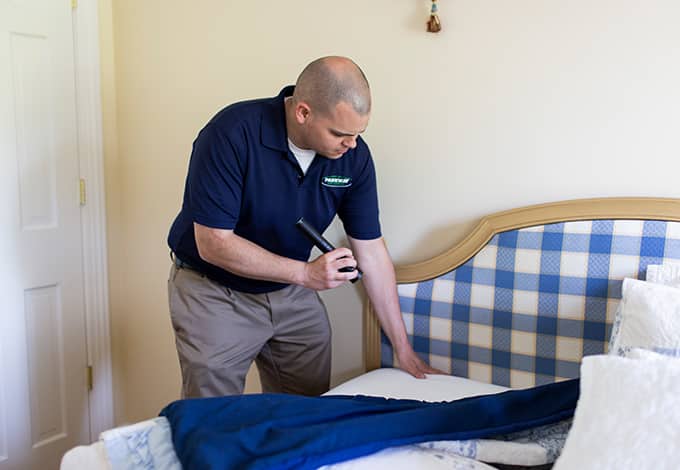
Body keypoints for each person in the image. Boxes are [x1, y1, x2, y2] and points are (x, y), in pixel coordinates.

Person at [167, 56, 440, 398]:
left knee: (306, 407)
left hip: (290, 288)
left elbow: (371, 252)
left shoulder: (353, 156)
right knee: (213, 414)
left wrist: (404, 350)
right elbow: (213, 242)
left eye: (359, 134)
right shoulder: (231, 133)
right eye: (340, 133)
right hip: (216, 291)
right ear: (303, 113)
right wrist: (306, 275)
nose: (351, 144)